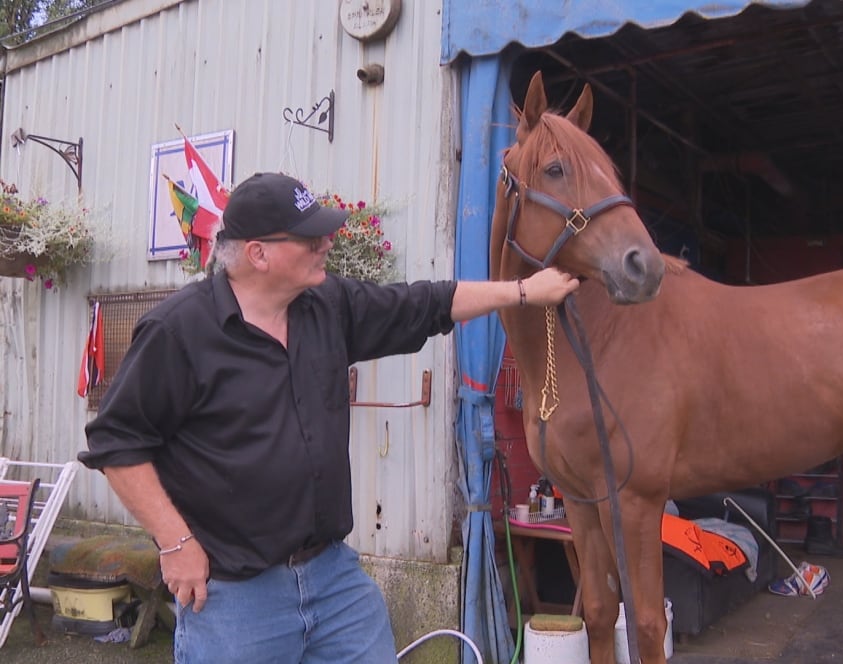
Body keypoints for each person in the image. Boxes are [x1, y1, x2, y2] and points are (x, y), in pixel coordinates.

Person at [80, 171, 579, 663]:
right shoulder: (178, 332)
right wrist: (175, 542)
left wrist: (523, 292)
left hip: (333, 579)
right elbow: (118, 443)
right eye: (308, 236)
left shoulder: (327, 305)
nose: (326, 242)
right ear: (258, 254)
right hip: (236, 598)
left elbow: (426, 303)